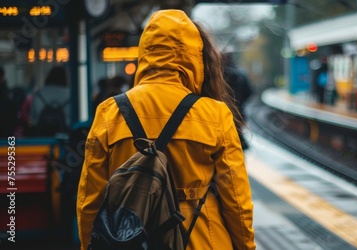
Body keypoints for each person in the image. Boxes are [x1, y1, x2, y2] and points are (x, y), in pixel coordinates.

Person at [76, 10, 255, 250]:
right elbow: (236, 200)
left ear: (145, 53)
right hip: (204, 239)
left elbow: (90, 200)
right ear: (195, 58)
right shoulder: (215, 114)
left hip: (132, 237)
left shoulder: (110, 112)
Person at [223, 52, 253, 150]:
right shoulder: (241, 73)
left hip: (222, 111)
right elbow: (250, 92)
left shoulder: (218, 73)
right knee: (238, 139)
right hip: (239, 111)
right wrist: (241, 102)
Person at [30, 66, 70, 136]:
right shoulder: (70, 94)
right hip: (64, 136)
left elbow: (33, 118)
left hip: (41, 136)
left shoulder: (39, 94)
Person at [0, 66, 17, 137]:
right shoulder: (9, 95)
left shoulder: (7, 95)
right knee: (11, 147)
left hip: (8, 133)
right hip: (9, 134)